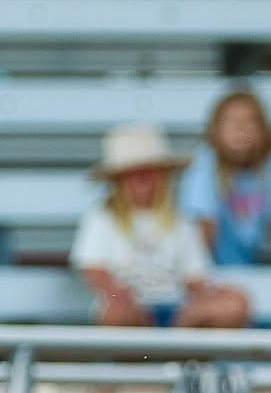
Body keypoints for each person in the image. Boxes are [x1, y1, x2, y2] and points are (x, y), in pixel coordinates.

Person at [71, 124, 252, 329]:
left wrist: (212, 293)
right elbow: (94, 271)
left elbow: (195, 277)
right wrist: (118, 294)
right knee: (118, 312)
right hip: (128, 306)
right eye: (133, 173)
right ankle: (172, 342)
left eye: (149, 171)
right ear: (118, 181)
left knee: (235, 303)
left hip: (177, 308)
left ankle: (172, 339)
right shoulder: (103, 218)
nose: (142, 179)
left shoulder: (180, 221)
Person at [179, 90, 271, 266]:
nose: (240, 129)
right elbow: (204, 227)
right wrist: (203, 275)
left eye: (250, 121)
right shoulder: (205, 163)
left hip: (257, 267)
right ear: (215, 130)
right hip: (213, 268)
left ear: (263, 131)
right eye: (231, 122)